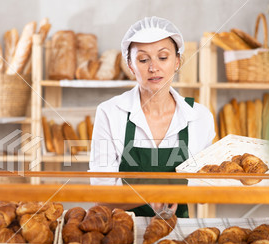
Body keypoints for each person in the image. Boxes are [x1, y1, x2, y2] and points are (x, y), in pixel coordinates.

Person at [89, 16, 215, 218]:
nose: (153, 67)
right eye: (143, 59)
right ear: (130, 65)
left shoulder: (200, 117)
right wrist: (152, 193)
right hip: (121, 237)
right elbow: (101, 196)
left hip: (178, 237)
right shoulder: (110, 112)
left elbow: (206, 190)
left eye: (163, 57)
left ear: (177, 61)